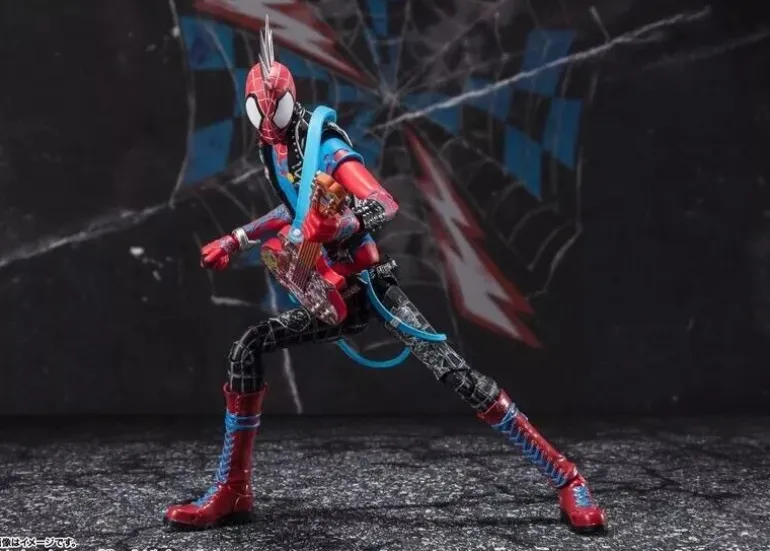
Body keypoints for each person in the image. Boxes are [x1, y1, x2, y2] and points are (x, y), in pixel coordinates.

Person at [164, 16, 607, 535]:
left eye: (275, 108)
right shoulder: (274, 148)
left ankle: (566, 475)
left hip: (370, 285)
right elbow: (294, 208)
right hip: (329, 292)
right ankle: (233, 489)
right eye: (257, 111)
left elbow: (383, 202)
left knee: (458, 376)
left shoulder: (324, 145)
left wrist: (341, 224)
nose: (267, 121)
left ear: (290, 98)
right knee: (247, 350)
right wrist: (238, 238)